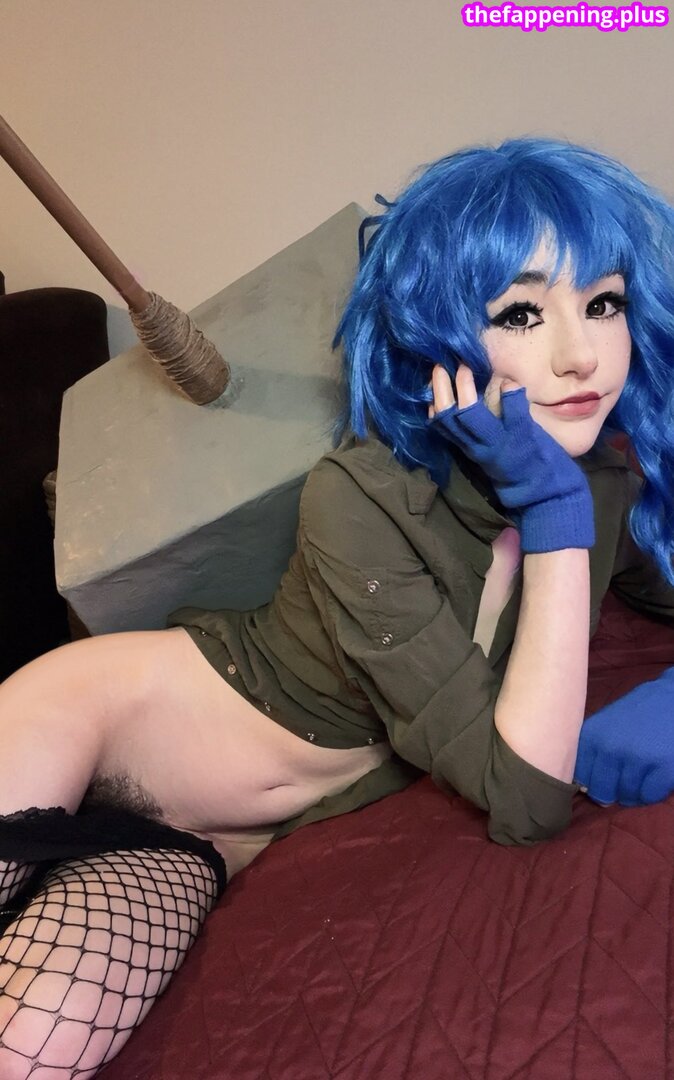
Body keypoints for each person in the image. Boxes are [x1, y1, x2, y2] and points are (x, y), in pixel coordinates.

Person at [2, 134, 674, 1078]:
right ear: (436, 340)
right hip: (104, 717)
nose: (581, 355)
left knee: (32, 1049)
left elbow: (535, 788)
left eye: (603, 302)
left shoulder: (600, 490)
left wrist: (567, 517)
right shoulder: (360, 495)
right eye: (521, 312)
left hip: (209, 839)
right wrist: (553, 514)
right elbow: (529, 798)